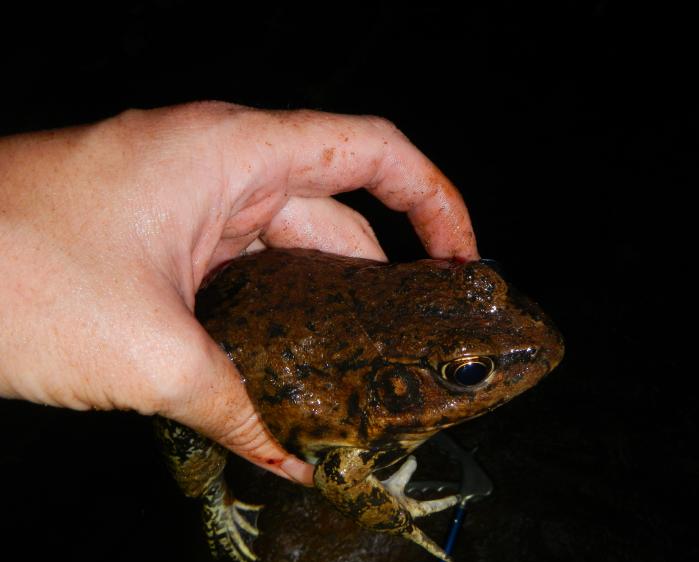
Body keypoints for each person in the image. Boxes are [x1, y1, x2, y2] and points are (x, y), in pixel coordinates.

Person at [0, 102, 479, 485]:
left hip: (240, 290)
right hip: (221, 340)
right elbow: (338, 477)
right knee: (195, 466)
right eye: (469, 370)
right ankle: (213, 499)